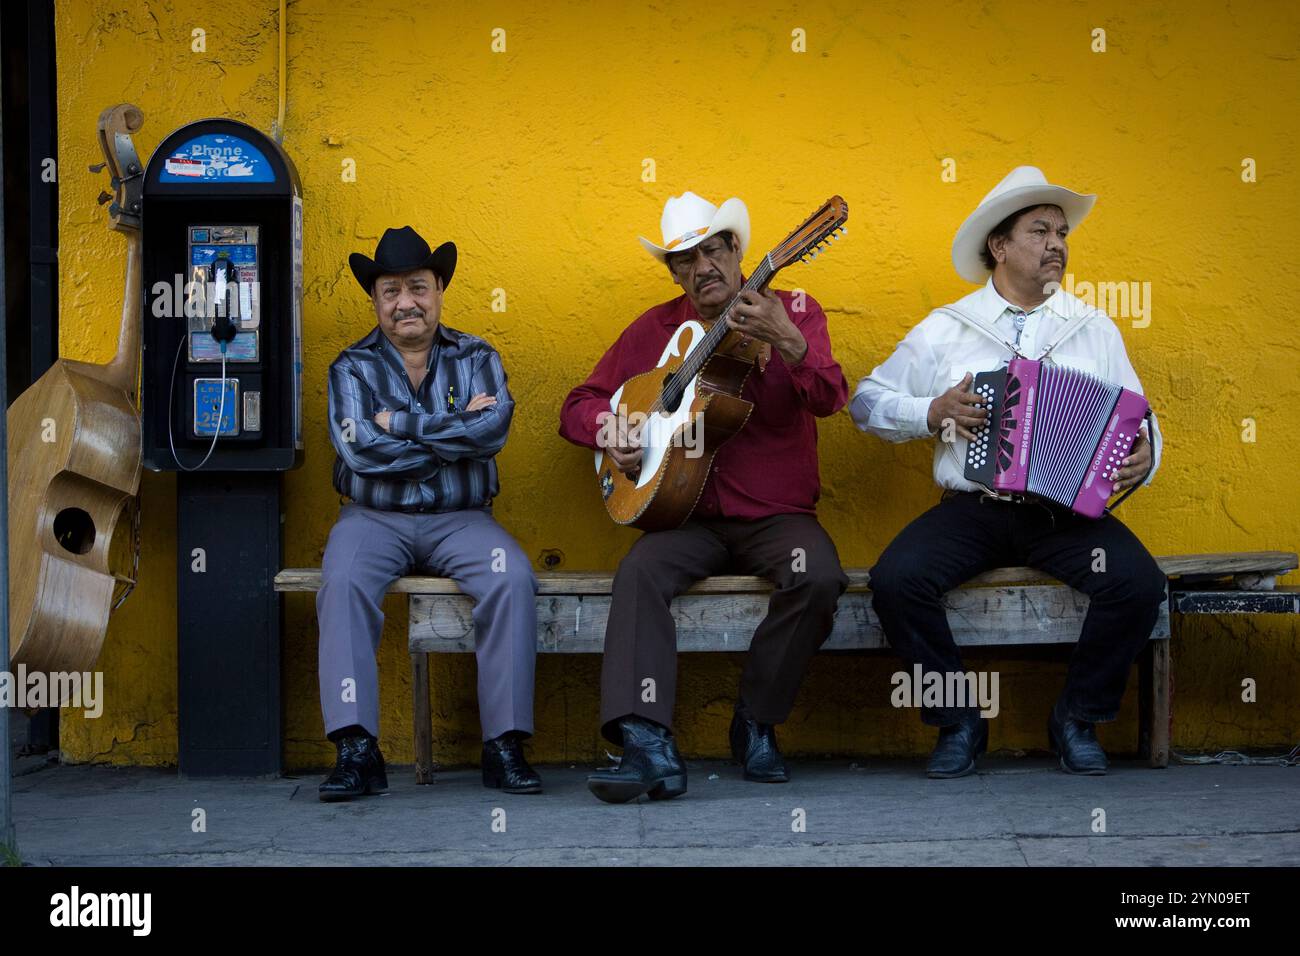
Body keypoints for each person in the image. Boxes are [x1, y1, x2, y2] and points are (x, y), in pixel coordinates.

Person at [852, 167, 1166, 778]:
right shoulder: (949, 327)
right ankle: (958, 722)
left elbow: (1140, 418)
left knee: (1137, 584)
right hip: (974, 509)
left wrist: (1146, 454)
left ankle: (1077, 717)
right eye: (1040, 230)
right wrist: (931, 412)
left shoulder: (1092, 327)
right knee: (896, 581)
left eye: (1062, 232)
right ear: (1000, 246)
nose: (1057, 243)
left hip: (1063, 513)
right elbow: (865, 401)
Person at [560, 191, 850, 803]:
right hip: (684, 516)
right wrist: (607, 429)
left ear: (738, 250)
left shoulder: (794, 309)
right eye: (684, 260)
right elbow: (578, 404)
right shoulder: (654, 329)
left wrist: (789, 343)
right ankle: (646, 744)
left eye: (713, 250)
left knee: (818, 575)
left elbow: (830, 396)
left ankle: (756, 720)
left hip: (775, 516)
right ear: (673, 271)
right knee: (638, 572)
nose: (702, 268)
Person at [316, 225, 541, 800]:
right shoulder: (351, 367)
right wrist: (450, 435)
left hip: (462, 517)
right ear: (376, 302)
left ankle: (504, 745)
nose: (405, 302)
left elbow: (492, 430)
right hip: (372, 518)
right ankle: (356, 748)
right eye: (390, 292)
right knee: (340, 582)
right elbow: (357, 447)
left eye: (417, 286)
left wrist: (401, 425)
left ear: (439, 290)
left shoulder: (478, 356)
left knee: (510, 577)